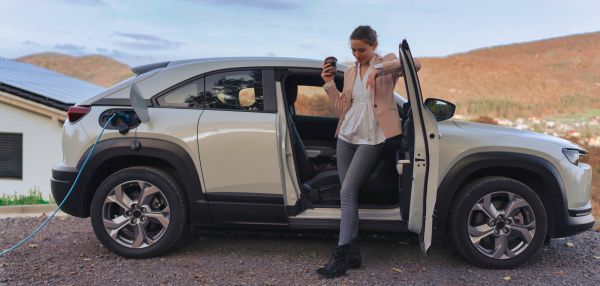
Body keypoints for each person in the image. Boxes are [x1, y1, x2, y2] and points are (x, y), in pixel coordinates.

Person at [317, 25, 421, 278]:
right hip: (346, 135)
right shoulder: (351, 72)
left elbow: (415, 64)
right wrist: (330, 84)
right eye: (353, 50)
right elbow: (343, 107)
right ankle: (352, 254)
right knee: (347, 195)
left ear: (373, 46)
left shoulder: (386, 63)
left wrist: (379, 69)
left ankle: (340, 256)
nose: (356, 54)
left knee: (348, 191)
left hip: (372, 137)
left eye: (361, 49)